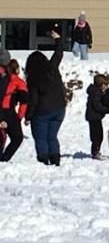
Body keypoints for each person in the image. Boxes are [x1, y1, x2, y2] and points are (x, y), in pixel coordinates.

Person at [25, 28, 66, 165]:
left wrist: (28, 116)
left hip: (42, 112)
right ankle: (55, 159)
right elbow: (59, 54)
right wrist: (58, 39)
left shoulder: (34, 78)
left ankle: (43, 160)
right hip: (59, 109)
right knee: (52, 137)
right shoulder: (52, 68)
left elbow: (33, 100)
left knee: (41, 138)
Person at [0, 58, 28, 162]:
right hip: (9, 113)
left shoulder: (2, 78)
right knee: (17, 138)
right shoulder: (18, 82)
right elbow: (24, 102)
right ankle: (4, 159)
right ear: (16, 69)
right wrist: (19, 117)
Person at [85, 74, 109, 159]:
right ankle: (95, 152)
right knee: (97, 135)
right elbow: (97, 105)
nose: (106, 87)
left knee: (98, 135)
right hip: (94, 116)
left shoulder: (97, 92)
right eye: (105, 84)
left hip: (95, 116)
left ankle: (96, 150)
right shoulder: (96, 92)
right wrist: (108, 110)